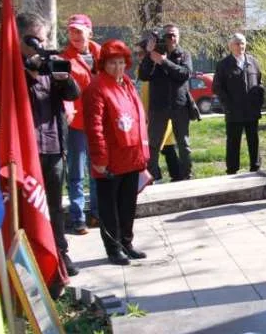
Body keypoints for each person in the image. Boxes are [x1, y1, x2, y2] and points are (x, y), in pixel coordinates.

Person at [16, 12, 81, 276]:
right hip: (24, 150)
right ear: (21, 38)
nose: (40, 45)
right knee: (28, 207)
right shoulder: (5, 62)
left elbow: (74, 94)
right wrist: (27, 72)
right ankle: (30, 258)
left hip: (53, 145)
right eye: (35, 40)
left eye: (43, 40)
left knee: (55, 205)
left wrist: (62, 75)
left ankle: (60, 254)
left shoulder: (50, 61)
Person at [82, 40, 150, 266]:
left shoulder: (127, 84)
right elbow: (95, 127)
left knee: (127, 204)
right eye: (112, 63)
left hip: (131, 157)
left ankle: (127, 243)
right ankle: (113, 248)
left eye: (121, 62)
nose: (118, 67)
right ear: (104, 64)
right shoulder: (96, 87)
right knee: (109, 207)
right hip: (110, 161)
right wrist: (99, 159)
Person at [60, 13, 101, 234]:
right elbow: (60, 92)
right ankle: (78, 217)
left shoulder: (102, 53)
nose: (75, 35)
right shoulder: (62, 59)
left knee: (99, 170)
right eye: (71, 31)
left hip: (100, 122)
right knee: (76, 173)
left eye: (79, 31)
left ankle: (97, 213)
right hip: (76, 124)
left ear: (89, 32)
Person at [138, 23, 193, 181]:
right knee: (153, 144)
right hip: (159, 107)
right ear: (163, 37)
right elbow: (143, 75)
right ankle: (151, 178)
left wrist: (164, 62)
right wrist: (150, 55)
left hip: (179, 106)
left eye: (175, 35)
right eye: (169, 35)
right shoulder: (153, 54)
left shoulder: (184, 54)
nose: (172, 38)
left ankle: (186, 176)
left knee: (184, 144)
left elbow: (184, 74)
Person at [213, 33, 264, 174]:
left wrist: (258, 102)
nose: (240, 46)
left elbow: (260, 83)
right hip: (233, 111)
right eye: (236, 43)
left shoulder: (253, 62)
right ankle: (232, 169)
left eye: (242, 43)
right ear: (230, 46)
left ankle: (256, 166)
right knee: (233, 142)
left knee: (254, 140)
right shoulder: (223, 64)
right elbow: (217, 87)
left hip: (251, 110)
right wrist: (227, 105)